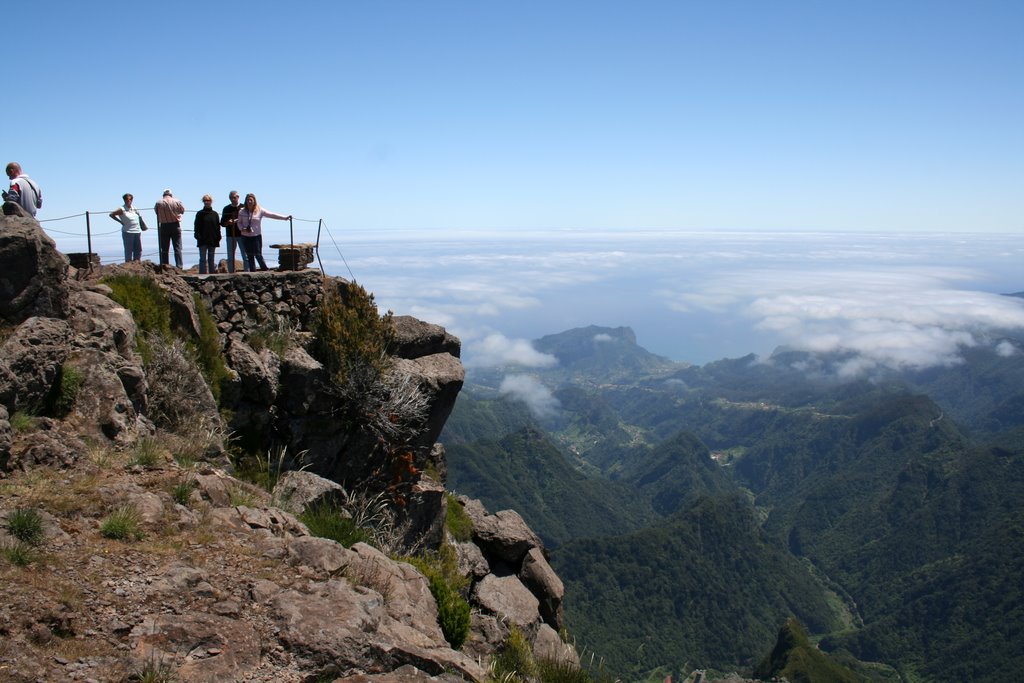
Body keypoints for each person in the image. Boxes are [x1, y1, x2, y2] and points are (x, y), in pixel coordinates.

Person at [236, 193, 290, 272]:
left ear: (254, 201)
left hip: (256, 236)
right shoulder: (242, 211)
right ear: (245, 201)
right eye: (248, 200)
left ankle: (265, 270)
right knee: (250, 255)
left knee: (258, 254)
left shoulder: (259, 210)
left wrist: (284, 218)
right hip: (245, 236)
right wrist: (243, 229)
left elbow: (272, 214)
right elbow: (239, 223)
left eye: (251, 200)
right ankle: (252, 272)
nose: (249, 201)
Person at [109, 193, 146, 262]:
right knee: (129, 249)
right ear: (124, 200)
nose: (128, 201)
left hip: (137, 231)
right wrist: (120, 221)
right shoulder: (122, 209)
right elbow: (111, 214)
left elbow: (139, 217)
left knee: (138, 249)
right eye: (127, 199)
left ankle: (137, 262)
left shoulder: (134, 208)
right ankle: (128, 263)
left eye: (130, 199)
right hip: (128, 231)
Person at [154, 189, 185, 268]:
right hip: (175, 225)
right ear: (171, 195)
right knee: (177, 247)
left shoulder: (158, 203)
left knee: (164, 248)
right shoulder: (177, 201)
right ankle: (179, 266)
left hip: (164, 226)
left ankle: (165, 265)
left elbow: (156, 212)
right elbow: (182, 211)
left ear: (163, 195)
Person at [194, 194, 221, 274]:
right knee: (202, 259)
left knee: (211, 258)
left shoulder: (215, 214)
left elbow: (217, 227)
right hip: (202, 239)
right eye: (205, 200)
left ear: (211, 201)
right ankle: (202, 275)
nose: (206, 202)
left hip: (212, 239)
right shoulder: (199, 214)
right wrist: (198, 236)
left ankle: (212, 274)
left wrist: (218, 237)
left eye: (208, 200)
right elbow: (196, 226)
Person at [220, 190, 242, 273]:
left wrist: (236, 220)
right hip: (230, 235)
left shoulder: (243, 207)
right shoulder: (226, 209)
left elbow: (247, 220)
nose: (233, 199)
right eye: (231, 198)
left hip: (242, 234)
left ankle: (248, 271)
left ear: (238, 197)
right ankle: (231, 272)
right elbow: (222, 223)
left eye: (234, 197)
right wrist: (228, 223)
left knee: (245, 255)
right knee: (230, 256)